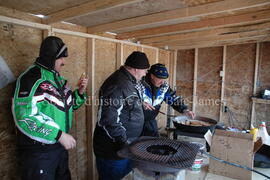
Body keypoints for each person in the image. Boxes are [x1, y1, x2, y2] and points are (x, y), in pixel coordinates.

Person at [12, 36, 88, 180]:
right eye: (61, 58)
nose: (63, 62)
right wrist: (58, 134)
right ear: (51, 57)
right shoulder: (31, 78)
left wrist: (80, 92)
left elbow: (69, 108)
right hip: (39, 151)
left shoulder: (58, 79)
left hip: (59, 147)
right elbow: (24, 117)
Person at [93, 51, 150, 180]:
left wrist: (139, 103)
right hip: (114, 150)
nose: (145, 73)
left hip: (126, 148)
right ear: (136, 69)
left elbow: (123, 104)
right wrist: (124, 142)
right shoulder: (118, 84)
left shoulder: (128, 82)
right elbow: (108, 120)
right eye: (145, 70)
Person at [141, 63, 195, 137]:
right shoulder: (139, 84)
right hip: (134, 121)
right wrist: (140, 103)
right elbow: (128, 99)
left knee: (153, 143)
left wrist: (184, 109)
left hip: (150, 121)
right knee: (133, 145)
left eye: (164, 79)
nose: (162, 81)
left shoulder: (164, 87)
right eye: (160, 78)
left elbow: (173, 99)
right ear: (152, 76)